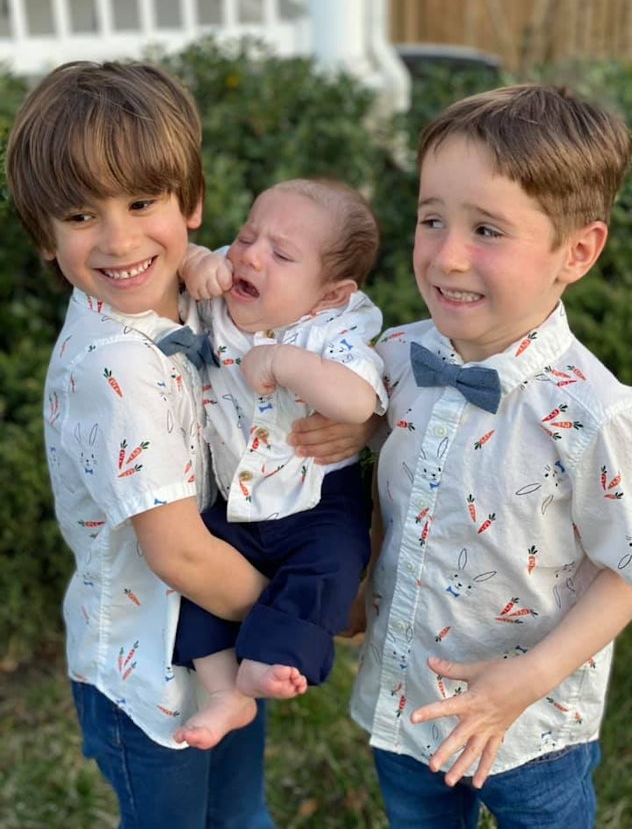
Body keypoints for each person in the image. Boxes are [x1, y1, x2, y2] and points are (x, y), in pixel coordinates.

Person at [5, 60, 370, 829]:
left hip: (218, 645)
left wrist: (360, 420)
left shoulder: (188, 296)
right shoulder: (117, 366)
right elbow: (179, 554)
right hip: (148, 670)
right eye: (79, 216)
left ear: (192, 202)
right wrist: (303, 616)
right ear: (44, 235)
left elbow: (311, 339)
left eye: (143, 202)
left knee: (238, 812)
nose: (120, 238)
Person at [349, 84, 632, 829]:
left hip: (530, 726)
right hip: (411, 698)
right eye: (432, 219)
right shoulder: (392, 361)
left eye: (487, 230)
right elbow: (361, 487)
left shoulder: (592, 413)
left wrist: (528, 678)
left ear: (577, 250)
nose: (447, 254)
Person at [168, 178, 388, 749]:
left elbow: (359, 402)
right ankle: (223, 693)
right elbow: (185, 265)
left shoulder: (335, 327)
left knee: (329, 570)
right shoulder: (228, 280)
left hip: (316, 498)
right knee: (195, 580)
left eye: (281, 253)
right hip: (237, 501)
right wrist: (194, 260)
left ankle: (271, 658)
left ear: (331, 293)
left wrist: (286, 361)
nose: (251, 254)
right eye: (247, 235)